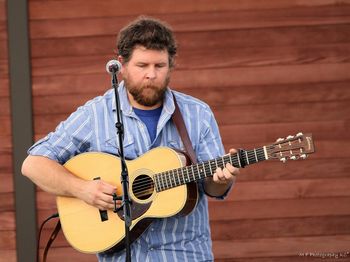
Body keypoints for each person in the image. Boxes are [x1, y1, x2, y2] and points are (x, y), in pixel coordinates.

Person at [22, 16, 239, 261]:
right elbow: (34, 164)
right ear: (121, 65)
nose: (151, 75)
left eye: (159, 66)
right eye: (142, 65)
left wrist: (221, 179)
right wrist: (82, 189)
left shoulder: (197, 114)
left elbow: (212, 187)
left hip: (186, 254)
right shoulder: (96, 114)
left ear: (171, 65)